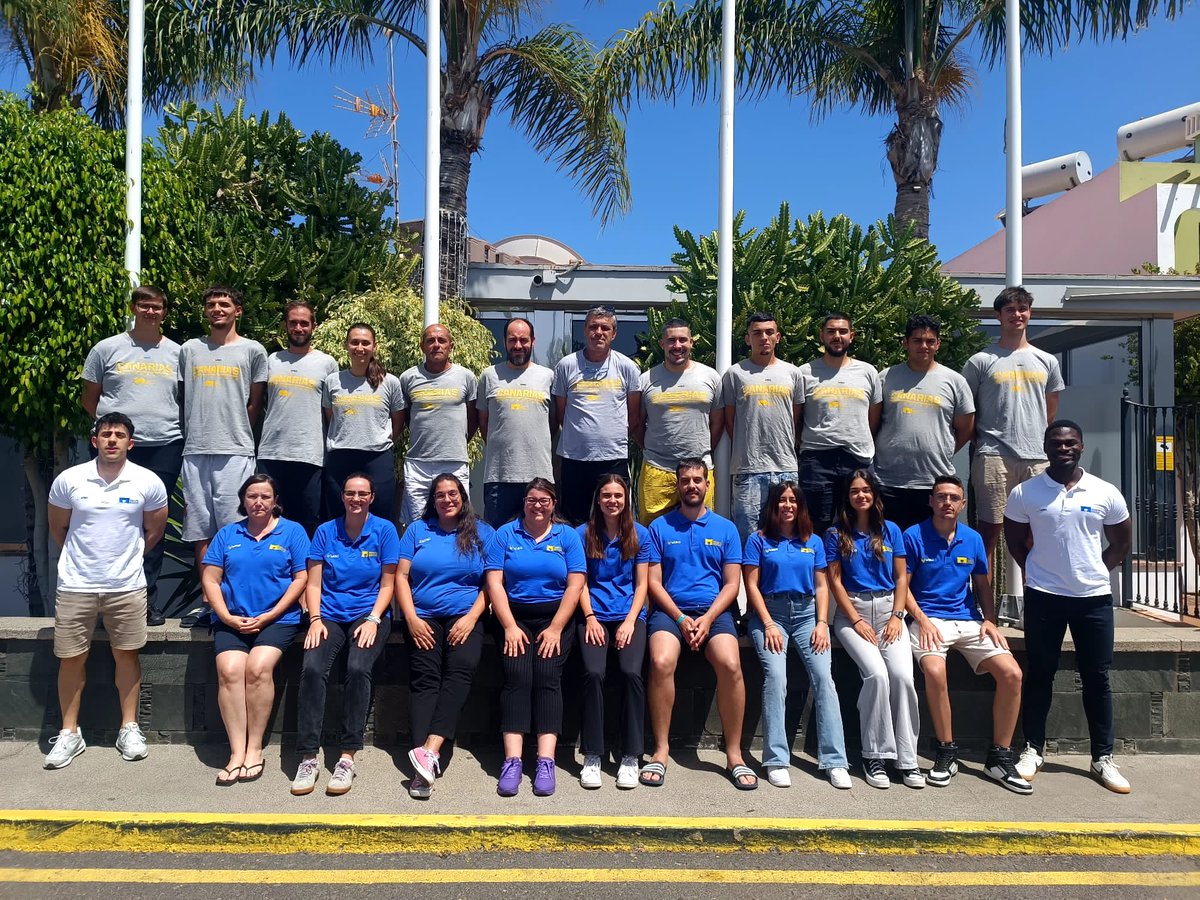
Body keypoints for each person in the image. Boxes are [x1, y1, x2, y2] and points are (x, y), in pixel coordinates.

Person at [1004, 421, 1133, 793]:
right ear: (1046, 448)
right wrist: (1040, 572)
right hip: (1044, 597)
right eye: (1057, 443)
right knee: (1040, 672)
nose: (1064, 448)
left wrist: (1092, 571)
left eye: (1071, 443)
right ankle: (1032, 749)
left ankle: (1102, 758)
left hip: (1093, 599)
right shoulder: (1025, 493)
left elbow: (1121, 544)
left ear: (1081, 446)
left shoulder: (1105, 491)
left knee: (1097, 677)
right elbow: (1015, 543)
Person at [43, 413, 168, 769]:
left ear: (131, 443)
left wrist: (126, 560)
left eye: (120, 435)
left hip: (127, 585)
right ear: (95, 440)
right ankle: (70, 733)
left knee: (127, 655)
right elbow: (59, 528)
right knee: (71, 658)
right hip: (75, 585)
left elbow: (154, 531)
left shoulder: (147, 481)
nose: (112, 440)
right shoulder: (69, 479)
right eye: (106, 434)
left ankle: (129, 727)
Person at [902, 476, 1029, 794]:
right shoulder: (913, 536)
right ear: (930, 501)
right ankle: (946, 752)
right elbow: (901, 587)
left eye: (953, 497)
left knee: (1012, 673)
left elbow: (982, 584)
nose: (947, 502)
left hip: (970, 622)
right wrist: (921, 620)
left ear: (962, 504)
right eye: (941, 496)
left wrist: (990, 620)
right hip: (928, 619)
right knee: (934, 669)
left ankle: (999, 757)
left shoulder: (972, 539)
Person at [643, 459, 755, 790]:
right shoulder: (659, 528)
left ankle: (734, 754)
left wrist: (706, 619)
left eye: (697, 480)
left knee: (732, 664)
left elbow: (733, 585)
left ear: (708, 485)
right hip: (670, 611)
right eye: (685, 481)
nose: (691, 486)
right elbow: (653, 583)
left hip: (714, 612)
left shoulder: (726, 529)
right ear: (677, 486)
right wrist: (680, 617)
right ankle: (661, 750)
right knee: (661, 661)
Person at [291, 473, 400, 797]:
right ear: (343, 498)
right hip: (329, 616)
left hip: (370, 615)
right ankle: (309, 756)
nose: (356, 498)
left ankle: (347, 757)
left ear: (371, 497)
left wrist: (373, 618)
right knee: (311, 670)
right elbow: (313, 583)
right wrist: (315, 619)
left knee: (358, 668)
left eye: (362, 493)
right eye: (350, 493)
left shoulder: (384, 531)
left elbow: (388, 584)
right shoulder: (326, 532)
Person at [82, 285, 181, 626]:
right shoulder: (106, 348)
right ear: (134, 308)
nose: (150, 312)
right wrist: (113, 434)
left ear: (165, 312)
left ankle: (145, 602)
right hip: (116, 448)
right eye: (144, 306)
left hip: (165, 446)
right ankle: (100, 603)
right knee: (107, 518)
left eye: (157, 307)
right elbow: (89, 398)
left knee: (152, 525)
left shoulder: (177, 353)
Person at [200, 475, 309, 785]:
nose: (258, 502)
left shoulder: (293, 532)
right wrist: (226, 616)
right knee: (230, 670)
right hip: (232, 619)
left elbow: (301, 578)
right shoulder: (227, 534)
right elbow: (210, 579)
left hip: (278, 620)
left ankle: (255, 749)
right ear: (243, 500)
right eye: (252, 496)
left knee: (259, 669)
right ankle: (236, 752)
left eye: (265, 496)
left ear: (275, 501)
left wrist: (270, 615)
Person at [743, 482, 851, 790]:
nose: (787, 505)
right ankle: (776, 759)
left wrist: (821, 622)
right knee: (776, 678)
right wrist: (768, 624)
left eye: (793, 500)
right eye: (782, 501)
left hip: (807, 617)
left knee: (824, 679)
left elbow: (821, 586)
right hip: (770, 615)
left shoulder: (813, 541)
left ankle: (834, 761)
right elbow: (751, 585)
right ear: (773, 506)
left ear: (800, 506)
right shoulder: (758, 540)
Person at [484, 478, 586, 797]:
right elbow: (494, 583)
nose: (537, 505)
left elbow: (576, 583)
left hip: (555, 617)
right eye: (532, 499)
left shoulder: (567, 536)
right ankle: (513, 761)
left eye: (544, 500)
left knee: (546, 678)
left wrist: (556, 627)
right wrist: (510, 626)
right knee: (516, 678)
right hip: (513, 617)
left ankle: (545, 761)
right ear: (524, 502)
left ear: (553, 504)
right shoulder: (505, 534)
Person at [396, 473, 494, 800]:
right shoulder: (416, 530)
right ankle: (423, 764)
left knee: (461, 669)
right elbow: (401, 577)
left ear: (463, 497)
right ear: (432, 500)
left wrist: (471, 618)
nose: (447, 500)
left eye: (453, 494)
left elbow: (491, 583)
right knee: (425, 679)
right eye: (440, 495)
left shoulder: (482, 532)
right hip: (422, 616)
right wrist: (410, 618)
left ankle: (430, 749)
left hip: (465, 614)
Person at [825, 470, 924, 790]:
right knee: (877, 676)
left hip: (889, 614)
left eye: (866, 490)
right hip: (853, 616)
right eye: (855, 491)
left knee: (903, 678)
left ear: (874, 494)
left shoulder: (891, 529)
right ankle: (875, 756)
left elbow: (901, 578)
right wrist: (855, 619)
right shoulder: (835, 533)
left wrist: (898, 616)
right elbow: (835, 582)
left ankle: (907, 760)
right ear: (847, 496)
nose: (861, 496)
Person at [963, 286, 1065, 567]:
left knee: (1037, 535)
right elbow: (966, 411)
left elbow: (1050, 411)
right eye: (1010, 310)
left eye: (1022, 309)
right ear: (998, 315)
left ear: (1029, 314)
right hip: (993, 456)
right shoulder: (981, 361)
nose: (1017, 315)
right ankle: (985, 609)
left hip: (1037, 459)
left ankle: (1038, 603)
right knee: (988, 535)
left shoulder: (1047, 360)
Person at [178, 285, 268, 567]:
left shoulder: (253, 350)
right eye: (211, 305)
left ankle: (232, 598)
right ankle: (208, 601)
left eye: (224, 305)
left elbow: (256, 403)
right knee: (200, 530)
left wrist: (236, 429)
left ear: (237, 311)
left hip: (236, 450)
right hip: (195, 451)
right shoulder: (189, 349)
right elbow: (182, 398)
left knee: (237, 527)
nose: (217, 309)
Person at [576, 475, 650, 790]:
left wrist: (631, 621)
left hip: (629, 616)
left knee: (631, 673)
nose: (613, 501)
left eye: (618, 495)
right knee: (594, 673)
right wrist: (590, 617)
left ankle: (631, 756)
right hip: (594, 615)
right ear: (598, 499)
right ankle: (593, 754)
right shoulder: (582, 534)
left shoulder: (640, 534)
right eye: (607, 495)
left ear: (626, 499)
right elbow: (578, 580)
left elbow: (643, 584)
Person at [873, 316, 975, 531]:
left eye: (930, 341)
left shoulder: (954, 381)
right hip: (888, 481)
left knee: (931, 549)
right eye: (917, 340)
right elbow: (872, 424)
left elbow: (965, 428)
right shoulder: (886, 377)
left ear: (938, 344)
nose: (924, 346)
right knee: (890, 547)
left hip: (934, 481)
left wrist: (942, 449)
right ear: (905, 343)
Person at [552, 306, 642, 525]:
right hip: (575, 459)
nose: (598, 332)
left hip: (613, 459)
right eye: (593, 327)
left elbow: (634, 416)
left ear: (614, 334)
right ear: (585, 330)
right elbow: (562, 414)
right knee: (573, 521)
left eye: (605, 328)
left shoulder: (627, 367)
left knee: (614, 520)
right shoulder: (566, 366)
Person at [257, 301, 338, 536]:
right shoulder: (272, 360)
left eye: (304, 323)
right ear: (285, 325)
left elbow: (331, 410)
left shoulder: (327, 363)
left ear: (314, 326)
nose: (299, 328)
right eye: (293, 322)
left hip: (309, 455)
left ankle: (305, 572)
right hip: (272, 452)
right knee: (269, 519)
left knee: (308, 520)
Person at [798, 314, 883, 536]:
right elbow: (795, 419)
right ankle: (820, 570)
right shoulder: (804, 373)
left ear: (851, 336)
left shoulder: (868, 372)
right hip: (817, 460)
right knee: (817, 524)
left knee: (859, 524)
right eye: (831, 331)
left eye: (843, 331)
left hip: (857, 458)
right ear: (822, 336)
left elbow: (874, 417)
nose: (837, 336)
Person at [722, 313, 804, 541]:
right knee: (748, 539)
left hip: (785, 466)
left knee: (786, 535)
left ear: (777, 337)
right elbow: (731, 421)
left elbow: (794, 418)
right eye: (757, 333)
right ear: (748, 339)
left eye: (769, 332)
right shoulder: (734, 374)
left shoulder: (793, 373)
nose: (764, 337)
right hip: (748, 469)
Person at [635, 319, 723, 524]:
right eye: (671, 340)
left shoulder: (710, 377)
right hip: (657, 469)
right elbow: (637, 424)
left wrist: (704, 450)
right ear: (662, 344)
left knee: (701, 529)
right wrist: (652, 448)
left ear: (692, 342)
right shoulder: (646, 379)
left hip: (700, 470)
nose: (677, 346)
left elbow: (718, 423)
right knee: (652, 533)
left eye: (683, 340)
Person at [477, 318, 555, 527]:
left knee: (539, 534)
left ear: (533, 341)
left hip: (539, 476)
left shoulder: (548, 376)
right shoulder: (489, 375)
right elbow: (483, 422)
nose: (518, 345)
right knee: (497, 537)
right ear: (505, 342)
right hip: (499, 475)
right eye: (512, 340)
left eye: (523, 340)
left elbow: (555, 422)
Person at [322, 324, 405, 521]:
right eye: (355, 342)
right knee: (338, 517)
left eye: (365, 343)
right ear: (346, 345)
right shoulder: (333, 381)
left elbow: (399, 421)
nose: (360, 348)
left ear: (374, 347)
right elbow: (330, 417)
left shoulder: (390, 382)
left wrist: (379, 438)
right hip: (340, 456)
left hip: (377, 457)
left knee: (381, 516)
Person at [399, 324, 478, 526]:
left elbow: (473, 418)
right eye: (430, 341)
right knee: (418, 523)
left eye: (441, 340)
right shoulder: (408, 378)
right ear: (422, 346)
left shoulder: (466, 377)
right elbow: (407, 417)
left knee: (456, 520)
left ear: (450, 346)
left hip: (454, 461)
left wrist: (456, 440)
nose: (436, 345)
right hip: (419, 463)